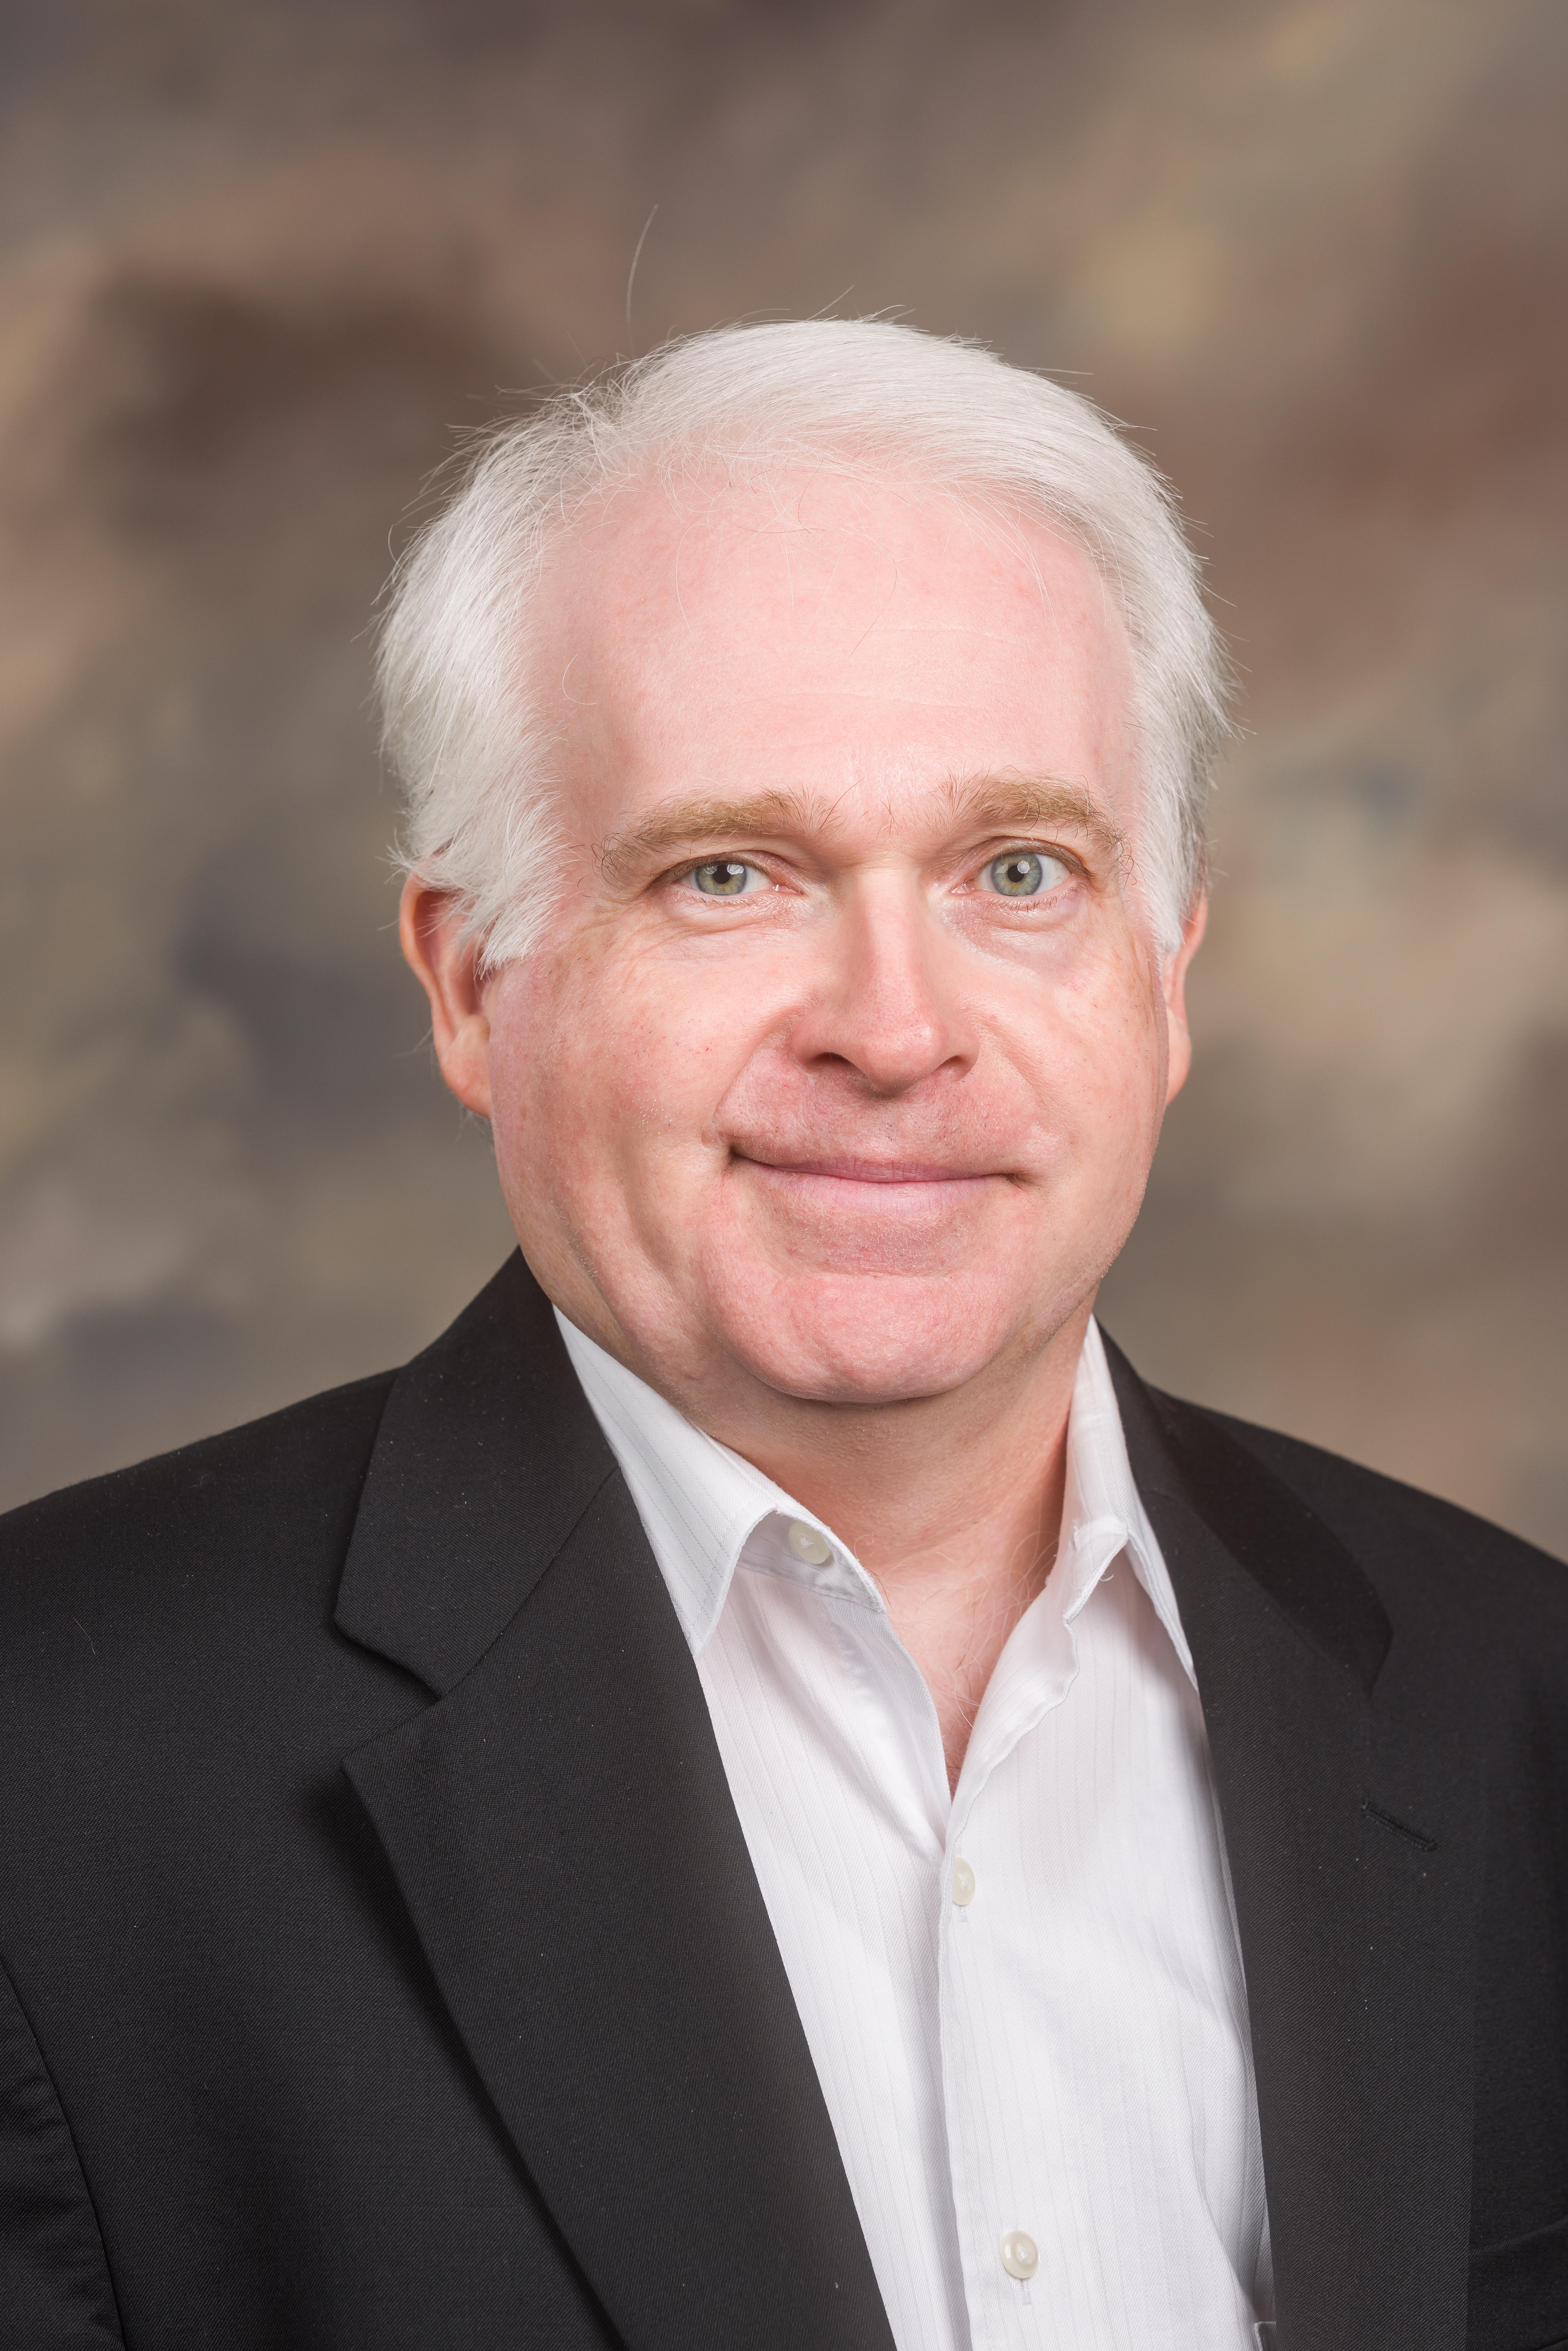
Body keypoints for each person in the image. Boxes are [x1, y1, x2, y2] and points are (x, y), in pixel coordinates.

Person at [0, 320, 1561, 2351]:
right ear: (471, 984)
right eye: (729, 873)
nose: (895, 1031)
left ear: (1163, 977)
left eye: (1018, 870)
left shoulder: (1516, 1704)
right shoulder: (50, 1775)